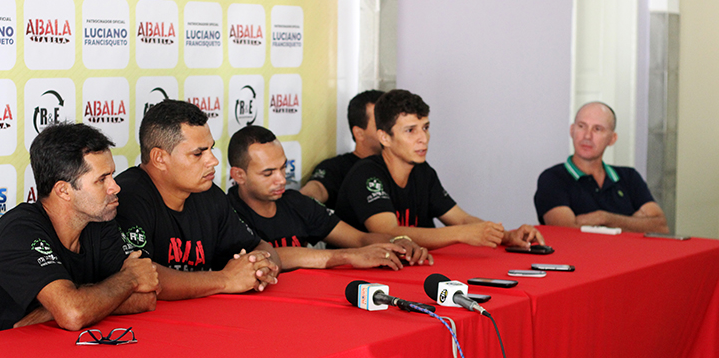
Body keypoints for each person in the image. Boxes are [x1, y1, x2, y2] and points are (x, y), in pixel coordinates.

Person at [0, 123, 159, 336]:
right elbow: (74, 314)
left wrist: (50, 312)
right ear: (63, 190)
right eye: (102, 179)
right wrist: (130, 278)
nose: (115, 187)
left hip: (55, 348)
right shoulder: (18, 229)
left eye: (112, 175)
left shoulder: (99, 219)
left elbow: (146, 298)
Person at [335, 89, 544, 250]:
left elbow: (461, 219)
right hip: (360, 280)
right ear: (384, 138)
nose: (423, 139)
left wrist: (507, 236)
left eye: (425, 128)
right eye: (410, 130)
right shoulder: (366, 174)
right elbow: (388, 231)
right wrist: (460, 234)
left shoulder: (422, 171)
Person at [114, 100, 280, 300]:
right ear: (159, 158)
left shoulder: (209, 194)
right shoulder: (126, 197)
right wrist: (225, 279)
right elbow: (137, 276)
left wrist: (261, 267)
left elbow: (262, 246)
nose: (213, 160)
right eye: (198, 153)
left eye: (211, 149)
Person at [227, 125, 432, 271]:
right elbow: (269, 255)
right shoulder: (226, 212)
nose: (281, 179)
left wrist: (400, 243)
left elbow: (359, 238)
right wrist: (345, 256)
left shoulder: (295, 201)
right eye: (268, 173)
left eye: (283, 168)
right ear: (239, 175)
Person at [534, 102, 669, 233]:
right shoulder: (553, 178)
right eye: (582, 126)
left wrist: (603, 218)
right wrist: (632, 222)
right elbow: (567, 231)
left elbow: (660, 227)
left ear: (612, 139)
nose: (587, 136)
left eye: (597, 129)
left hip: (630, 255)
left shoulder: (629, 177)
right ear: (572, 131)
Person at [300, 90, 384, 209]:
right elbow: (315, 191)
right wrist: (303, 199)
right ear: (359, 133)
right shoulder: (335, 168)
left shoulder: (404, 166)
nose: (390, 130)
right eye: (381, 125)